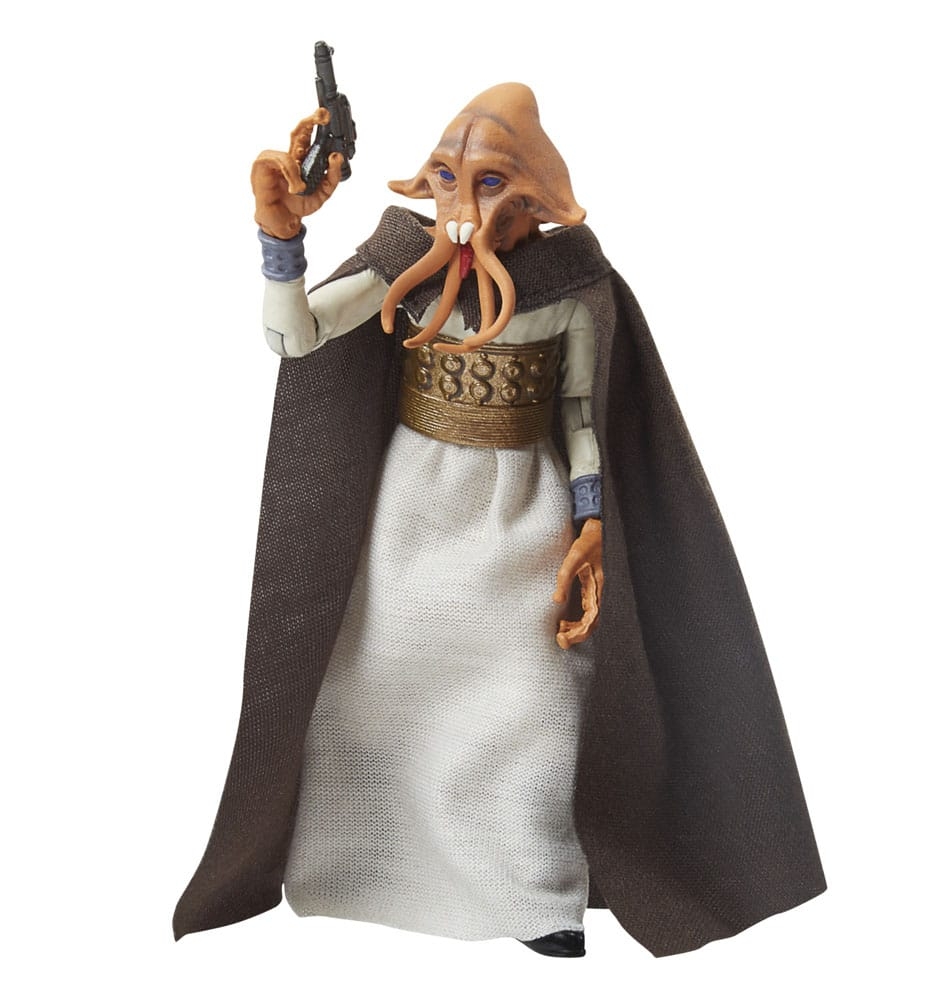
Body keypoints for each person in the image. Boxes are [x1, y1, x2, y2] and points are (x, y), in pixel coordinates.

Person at [174, 83, 825, 958]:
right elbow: (295, 339)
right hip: (413, 512)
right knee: (380, 678)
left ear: (534, 195)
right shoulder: (402, 267)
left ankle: (532, 891)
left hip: (525, 511)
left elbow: (581, 415)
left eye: (489, 182)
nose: (463, 204)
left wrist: (591, 523)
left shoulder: (569, 287)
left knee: (534, 697)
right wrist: (282, 241)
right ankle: (359, 864)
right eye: (447, 178)